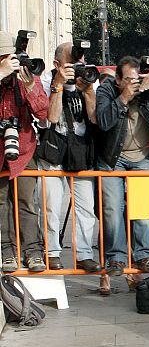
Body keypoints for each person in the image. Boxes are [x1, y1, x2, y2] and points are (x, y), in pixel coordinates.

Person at [95, 56, 149, 275]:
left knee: (143, 211)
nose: (135, 83)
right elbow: (103, 121)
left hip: (142, 157)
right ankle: (116, 258)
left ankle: (142, 256)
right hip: (112, 158)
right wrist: (123, 98)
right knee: (112, 209)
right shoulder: (107, 90)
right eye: (129, 80)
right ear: (118, 79)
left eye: (137, 78)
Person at [37, 42, 101, 272]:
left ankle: (84, 254)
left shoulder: (88, 80)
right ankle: (51, 251)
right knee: (51, 204)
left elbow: (94, 119)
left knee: (86, 207)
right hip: (53, 148)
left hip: (80, 149)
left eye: (80, 62)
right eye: (72, 63)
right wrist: (59, 85)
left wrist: (89, 91)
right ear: (57, 64)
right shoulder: (46, 83)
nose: (77, 67)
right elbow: (51, 119)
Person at [0, 31, 48, 272]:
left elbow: (42, 114)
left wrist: (29, 86)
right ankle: (7, 253)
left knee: (27, 203)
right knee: (2, 204)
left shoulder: (25, 76)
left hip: (24, 149)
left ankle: (34, 253)